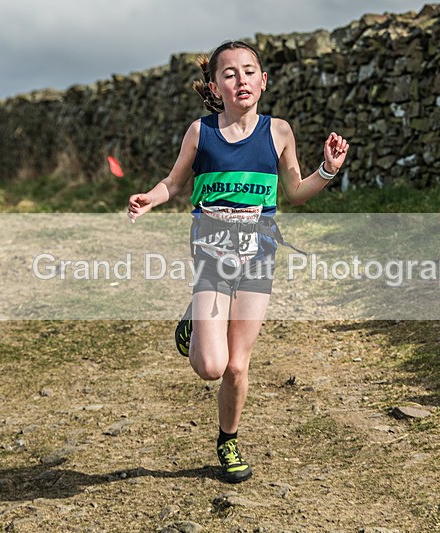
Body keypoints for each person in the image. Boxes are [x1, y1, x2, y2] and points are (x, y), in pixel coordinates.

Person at [126, 40, 349, 483]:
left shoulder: (278, 132)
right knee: (209, 366)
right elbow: (173, 182)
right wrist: (151, 198)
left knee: (236, 365)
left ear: (263, 81)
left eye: (249, 71)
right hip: (211, 262)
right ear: (215, 86)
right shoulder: (200, 132)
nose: (241, 79)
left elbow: (295, 192)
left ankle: (228, 440)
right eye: (230, 73)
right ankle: (195, 315)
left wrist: (326, 171)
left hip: (257, 262)